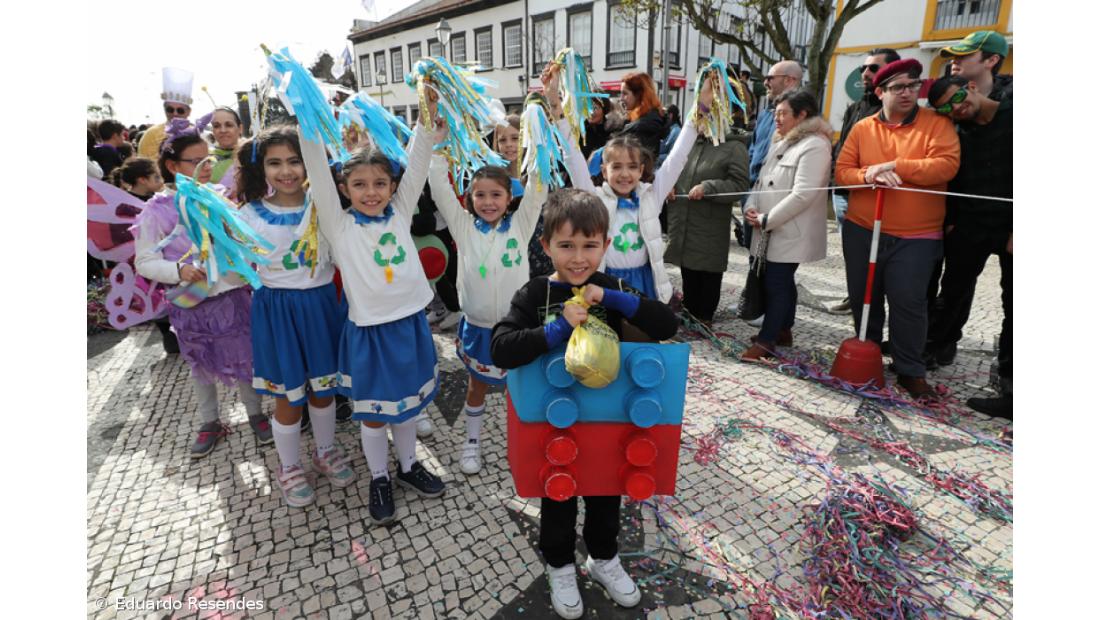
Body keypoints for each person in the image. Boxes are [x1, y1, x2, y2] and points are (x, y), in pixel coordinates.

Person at [490, 189, 679, 619]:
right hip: (555, 425)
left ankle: (603, 557)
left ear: (606, 245)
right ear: (545, 246)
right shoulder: (535, 292)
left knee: (605, 491)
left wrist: (611, 298)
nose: (578, 257)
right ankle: (559, 564)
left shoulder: (610, 285)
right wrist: (557, 328)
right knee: (557, 497)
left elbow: (666, 324)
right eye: (566, 245)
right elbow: (500, 348)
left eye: (590, 245)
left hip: (607, 419)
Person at [299, 90, 448, 526]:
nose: (370, 192)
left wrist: (427, 114)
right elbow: (315, 168)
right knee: (373, 415)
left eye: (380, 183)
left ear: (392, 186)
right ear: (344, 188)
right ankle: (379, 476)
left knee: (406, 407)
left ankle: (407, 466)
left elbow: (418, 161)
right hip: (369, 332)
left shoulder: (400, 214)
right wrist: (306, 112)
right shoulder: (338, 223)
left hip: (410, 326)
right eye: (359, 185)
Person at [132, 119, 270, 457]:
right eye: (196, 161)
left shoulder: (220, 198)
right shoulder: (158, 210)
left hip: (233, 295)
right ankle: (211, 421)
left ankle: (256, 413)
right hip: (192, 302)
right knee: (201, 363)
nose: (206, 167)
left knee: (244, 359)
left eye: (208, 159)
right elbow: (144, 260)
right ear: (172, 166)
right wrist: (178, 269)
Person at [233, 126, 353, 507]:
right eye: (274, 163)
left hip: (321, 308)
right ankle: (288, 465)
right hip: (277, 313)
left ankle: (325, 450)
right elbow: (235, 269)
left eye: (294, 160)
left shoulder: (326, 208)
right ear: (261, 168)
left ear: (310, 162)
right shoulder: (248, 215)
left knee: (323, 389)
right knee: (288, 397)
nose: (286, 171)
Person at [834, 59, 960, 400]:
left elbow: (946, 165)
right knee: (864, 298)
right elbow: (842, 171)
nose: (908, 92)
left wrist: (895, 167)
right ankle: (867, 356)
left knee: (909, 303)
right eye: (898, 87)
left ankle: (910, 370)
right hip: (862, 229)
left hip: (917, 235)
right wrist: (868, 175)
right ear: (880, 92)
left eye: (913, 85)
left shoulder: (936, 124)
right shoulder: (862, 128)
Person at [427, 129, 548, 474]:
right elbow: (440, 191)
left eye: (496, 194)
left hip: (517, 328)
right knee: (477, 385)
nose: (488, 201)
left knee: (521, 386)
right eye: (480, 195)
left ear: (510, 197)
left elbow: (538, 188)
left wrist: (538, 129)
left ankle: (525, 441)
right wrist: (437, 147)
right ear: (470, 198)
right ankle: (473, 441)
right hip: (479, 329)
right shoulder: (463, 228)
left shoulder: (520, 227)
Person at [544, 64, 712, 303]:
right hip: (605, 283)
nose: (625, 175)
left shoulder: (651, 195)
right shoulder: (595, 200)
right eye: (617, 167)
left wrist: (701, 107)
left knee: (640, 337)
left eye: (632, 167)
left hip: (644, 284)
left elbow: (678, 157)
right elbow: (572, 157)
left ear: (642, 170)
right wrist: (555, 106)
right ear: (604, 170)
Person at [924, 76, 1012, 418]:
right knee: (952, 293)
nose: (955, 108)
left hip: (1013, 228)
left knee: (1016, 306)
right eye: (945, 107)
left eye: (957, 98)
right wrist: (951, 220)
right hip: (970, 226)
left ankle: (1011, 385)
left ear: (972, 88)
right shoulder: (957, 130)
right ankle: (925, 354)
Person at [740, 91, 833, 361]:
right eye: (776, 113)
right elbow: (760, 181)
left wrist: (768, 219)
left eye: (783, 113)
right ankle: (782, 330)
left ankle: (767, 341)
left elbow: (804, 193)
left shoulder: (815, 145)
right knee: (781, 281)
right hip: (768, 226)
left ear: (802, 115)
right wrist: (750, 207)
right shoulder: (782, 140)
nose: (777, 119)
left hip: (790, 230)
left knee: (776, 283)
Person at [829, 48, 900, 314]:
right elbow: (844, 146)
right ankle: (855, 295)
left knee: (875, 256)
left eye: (872, 68)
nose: (865, 73)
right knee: (854, 255)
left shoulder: (889, 111)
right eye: (863, 68)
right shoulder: (855, 107)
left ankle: (873, 304)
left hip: (871, 196)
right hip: (842, 191)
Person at [664, 110, 750, 325]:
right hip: (683, 220)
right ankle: (689, 313)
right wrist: (669, 184)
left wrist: (709, 187)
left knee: (707, 272)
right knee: (688, 270)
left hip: (709, 224)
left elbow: (739, 186)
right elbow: (671, 168)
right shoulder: (689, 144)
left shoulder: (734, 147)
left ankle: (704, 317)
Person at [939, 30, 1012, 102]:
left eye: (964, 55)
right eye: (955, 56)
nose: (953, 61)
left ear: (991, 61)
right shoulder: (943, 96)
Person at [139, 67, 194, 158]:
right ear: (164, 109)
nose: (175, 113)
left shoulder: (196, 135)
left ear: (189, 112)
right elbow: (145, 167)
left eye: (180, 110)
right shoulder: (151, 135)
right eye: (170, 109)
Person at [617, 72, 668, 159]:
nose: (621, 98)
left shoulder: (643, 126)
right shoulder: (644, 120)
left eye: (625, 93)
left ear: (638, 95)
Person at [208, 106, 244, 185]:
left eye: (229, 125)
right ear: (212, 130)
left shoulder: (251, 155)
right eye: (217, 126)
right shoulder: (204, 158)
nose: (223, 130)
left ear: (240, 128)